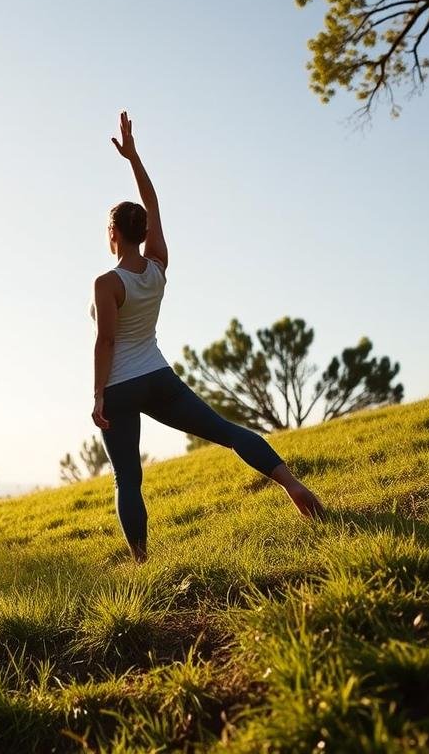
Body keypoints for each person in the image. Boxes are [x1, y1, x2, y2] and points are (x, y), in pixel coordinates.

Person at [90, 111, 325, 563]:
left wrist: (98, 394)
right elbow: (153, 205)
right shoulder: (158, 264)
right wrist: (134, 158)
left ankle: (141, 563)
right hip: (158, 375)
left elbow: (105, 342)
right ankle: (292, 485)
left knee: (128, 479)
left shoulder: (107, 283)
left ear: (115, 234)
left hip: (119, 386)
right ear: (142, 233)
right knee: (226, 431)